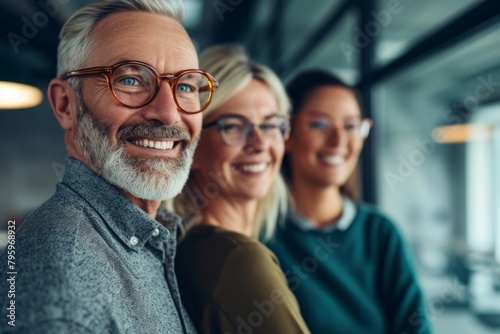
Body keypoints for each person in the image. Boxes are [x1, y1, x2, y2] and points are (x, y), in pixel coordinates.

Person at [0, 0, 219, 333]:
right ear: (65, 104)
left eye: (186, 86)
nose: (169, 112)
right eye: (131, 80)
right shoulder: (64, 277)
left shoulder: (146, 238)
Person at [265, 69, 432, 334]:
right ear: (287, 132)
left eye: (352, 126)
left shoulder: (379, 232)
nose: (339, 140)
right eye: (319, 124)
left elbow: (415, 327)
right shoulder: (263, 233)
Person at [170, 45, 310, 334]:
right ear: (192, 146)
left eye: (271, 125)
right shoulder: (239, 259)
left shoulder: (194, 248)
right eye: (233, 126)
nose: (259, 143)